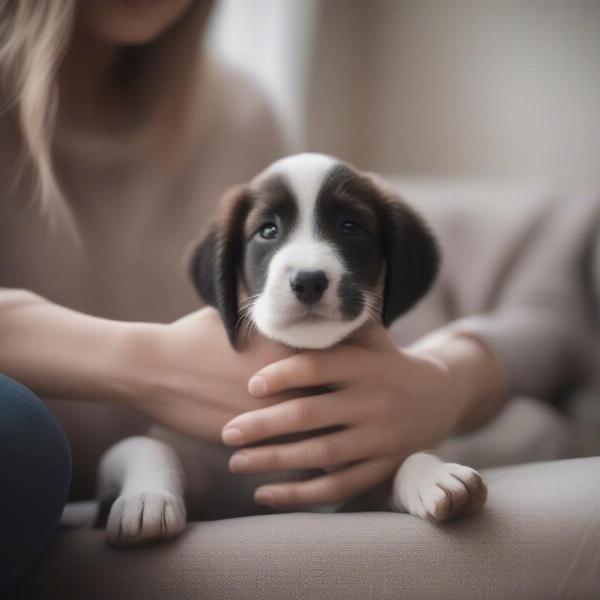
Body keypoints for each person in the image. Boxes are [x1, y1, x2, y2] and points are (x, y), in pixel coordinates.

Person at [1, 1, 599, 598]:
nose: (309, 264)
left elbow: (552, 332)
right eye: (268, 232)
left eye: (346, 230)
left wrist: (447, 383)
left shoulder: (240, 112)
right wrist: (151, 362)